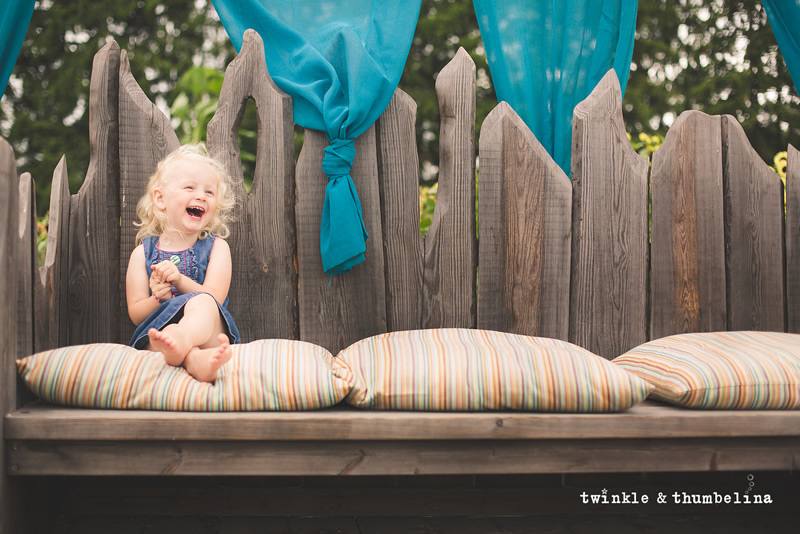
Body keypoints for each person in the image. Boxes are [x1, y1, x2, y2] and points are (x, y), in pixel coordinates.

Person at [125, 144, 240, 382]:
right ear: (160, 199)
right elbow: (136, 314)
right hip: (159, 337)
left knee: (203, 303)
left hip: (206, 333)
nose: (201, 196)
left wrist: (179, 280)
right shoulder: (141, 254)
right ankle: (195, 361)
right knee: (172, 338)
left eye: (209, 192)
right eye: (189, 187)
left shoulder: (217, 247)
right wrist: (157, 298)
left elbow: (214, 298)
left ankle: (184, 339)